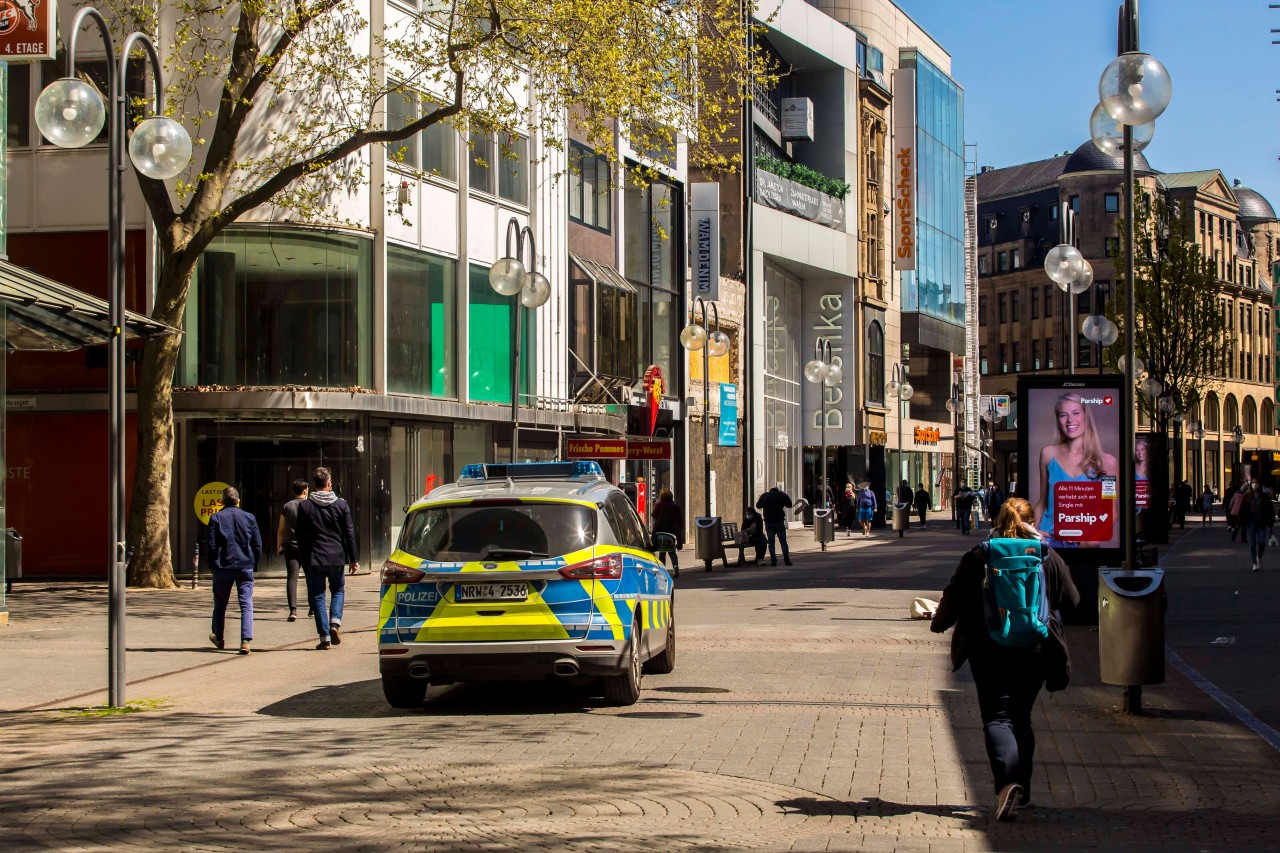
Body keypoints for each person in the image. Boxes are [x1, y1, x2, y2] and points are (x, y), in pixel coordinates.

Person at [930, 498, 1080, 822]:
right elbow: (1073, 598)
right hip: (1035, 648)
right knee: (1021, 717)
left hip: (989, 648)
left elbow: (954, 594)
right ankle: (1021, 790)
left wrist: (939, 622)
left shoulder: (981, 554)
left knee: (998, 718)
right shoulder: (1045, 554)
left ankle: (1008, 783)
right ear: (1030, 519)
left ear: (999, 519)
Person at [1032, 393, 1120, 544]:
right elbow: (1042, 502)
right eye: (1063, 415)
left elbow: (1111, 509)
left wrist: (1090, 541)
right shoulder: (1048, 454)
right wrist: (1033, 532)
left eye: (1076, 413)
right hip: (1050, 543)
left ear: (1086, 416)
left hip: (1086, 544)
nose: (1070, 420)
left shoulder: (1107, 462)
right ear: (1058, 421)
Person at [296, 466, 359, 650]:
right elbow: (349, 533)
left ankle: (324, 637)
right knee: (338, 590)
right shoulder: (341, 505)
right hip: (336, 557)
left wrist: (304, 557)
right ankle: (335, 623)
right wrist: (353, 558)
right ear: (329, 484)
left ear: (314, 485)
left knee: (317, 595)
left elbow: (299, 535)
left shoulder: (305, 506)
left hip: (314, 558)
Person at [206, 486, 262, 655]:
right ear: (238, 501)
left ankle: (219, 636)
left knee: (220, 603)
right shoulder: (249, 518)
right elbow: (257, 544)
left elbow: (212, 545)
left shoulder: (216, 518)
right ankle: (245, 640)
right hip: (245, 565)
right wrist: (253, 562)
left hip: (223, 567)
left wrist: (213, 564)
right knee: (246, 604)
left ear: (222, 501)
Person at [276, 478, 309, 622]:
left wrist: (279, 546)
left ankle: (293, 610)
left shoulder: (287, 506)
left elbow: (281, 529)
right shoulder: (310, 505)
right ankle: (313, 608)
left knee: (292, 578)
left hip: (291, 546)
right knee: (311, 578)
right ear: (305, 490)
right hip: (308, 547)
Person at [756, 486, 794, 566]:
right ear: (778, 490)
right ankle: (786, 560)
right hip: (779, 521)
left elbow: (758, 505)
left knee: (771, 542)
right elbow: (789, 505)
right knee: (783, 542)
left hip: (769, 522)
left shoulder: (765, 495)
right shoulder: (781, 495)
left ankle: (773, 561)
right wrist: (785, 495)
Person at [651, 489, 684, 577]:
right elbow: (680, 521)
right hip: (672, 533)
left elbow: (653, 515)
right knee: (672, 552)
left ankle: (663, 570)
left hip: (661, 532)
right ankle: (675, 566)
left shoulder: (659, 505)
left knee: (662, 552)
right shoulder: (675, 507)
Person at [1245, 484, 1276, 571]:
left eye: (1256, 482)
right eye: (1253, 482)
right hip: (1250, 521)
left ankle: (1259, 557)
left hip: (1261, 521)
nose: (1255, 485)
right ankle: (1254, 563)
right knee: (1252, 543)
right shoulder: (1247, 496)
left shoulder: (1264, 496)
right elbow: (1243, 509)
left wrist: (1271, 521)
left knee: (1262, 542)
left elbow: (1270, 509)